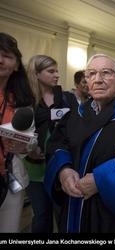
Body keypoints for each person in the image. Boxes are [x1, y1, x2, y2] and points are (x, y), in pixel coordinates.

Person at [44, 54, 115, 233]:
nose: (97, 80)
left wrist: (101, 180)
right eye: (91, 74)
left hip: (111, 207)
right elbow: (58, 144)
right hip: (74, 199)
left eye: (106, 73)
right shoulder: (76, 113)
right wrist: (64, 171)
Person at [24, 55, 77, 232]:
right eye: (51, 71)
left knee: (62, 212)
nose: (57, 75)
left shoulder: (66, 98)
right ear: (36, 73)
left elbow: (74, 127)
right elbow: (19, 130)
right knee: (41, 214)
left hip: (59, 164)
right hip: (34, 165)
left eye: (57, 71)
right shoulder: (26, 99)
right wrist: (29, 150)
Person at [0, 32, 35, 232]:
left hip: (11, 177)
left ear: (16, 65)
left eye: (6, 55)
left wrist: (25, 145)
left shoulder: (21, 101)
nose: (0, 60)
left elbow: (29, 141)